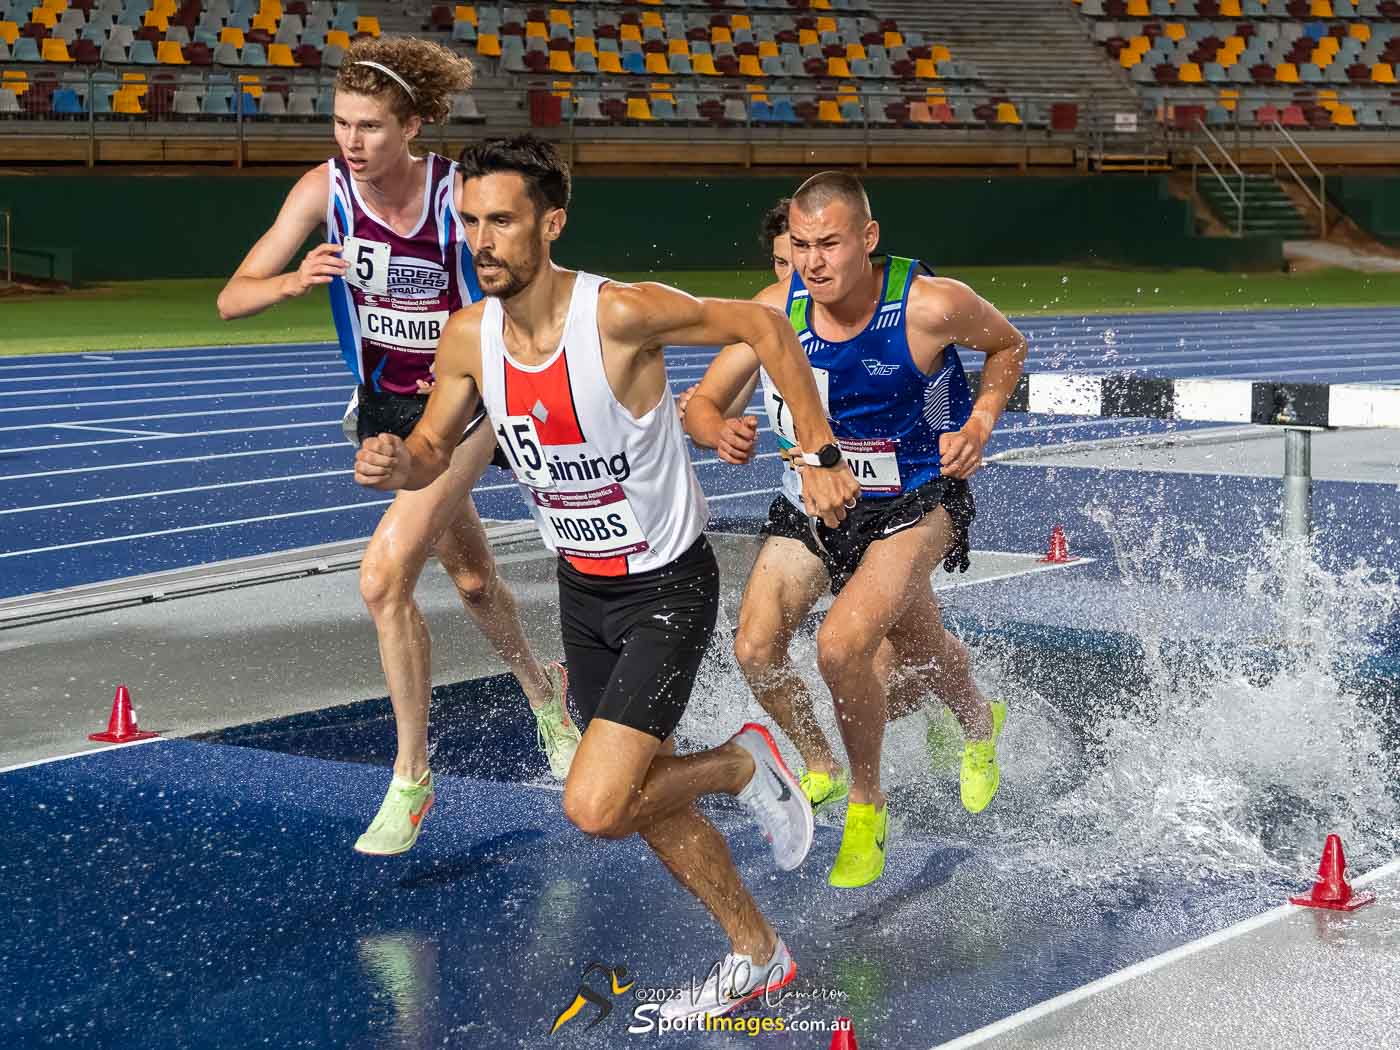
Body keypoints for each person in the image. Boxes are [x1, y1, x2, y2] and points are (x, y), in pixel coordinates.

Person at [352, 136, 861, 1021]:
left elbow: (767, 325)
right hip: (581, 591)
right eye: (469, 220)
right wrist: (397, 463)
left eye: (502, 220)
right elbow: (434, 447)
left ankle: (743, 763)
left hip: (667, 587)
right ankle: (758, 951)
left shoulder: (617, 315)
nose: (483, 240)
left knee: (594, 805)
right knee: (642, 796)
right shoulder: (470, 335)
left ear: (550, 223)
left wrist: (816, 451)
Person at [215, 38, 577, 857]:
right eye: (342, 123)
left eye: (372, 126)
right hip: (385, 409)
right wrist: (291, 282)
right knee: (477, 580)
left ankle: (411, 776)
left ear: (412, 126)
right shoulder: (324, 191)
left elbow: (531, 274)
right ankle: (544, 692)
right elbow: (232, 299)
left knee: (383, 579)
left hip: (468, 404)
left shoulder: (459, 195)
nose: (352, 141)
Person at [685, 173, 1028, 888]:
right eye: (801, 246)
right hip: (817, 501)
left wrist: (980, 421)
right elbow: (703, 402)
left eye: (829, 245)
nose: (813, 263)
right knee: (754, 647)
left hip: (915, 501)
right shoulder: (776, 309)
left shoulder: (930, 304)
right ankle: (825, 765)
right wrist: (719, 428)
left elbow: (1008, 348)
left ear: (867, 241)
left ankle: (870, 808)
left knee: (845, 646)